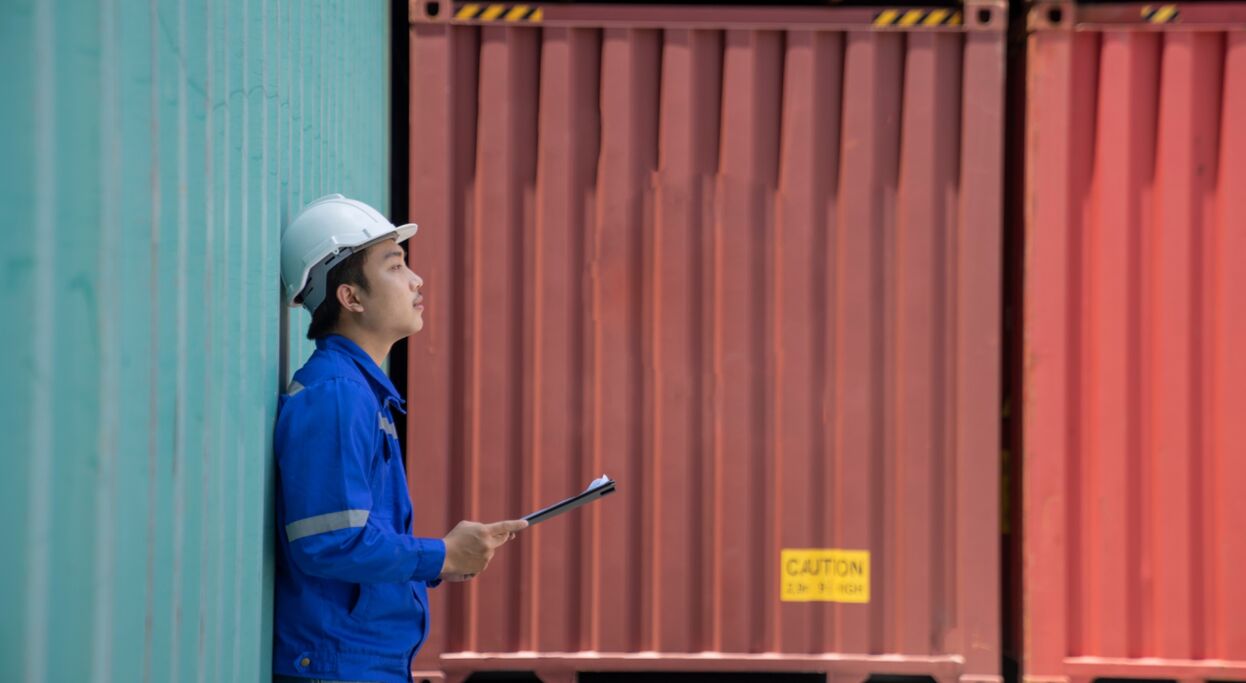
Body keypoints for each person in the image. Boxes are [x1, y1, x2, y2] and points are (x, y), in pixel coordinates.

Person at [273, 194, 527, 683]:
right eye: (396, 265)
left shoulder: (359, 393)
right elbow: (329, 542)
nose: (417, 279)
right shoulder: (337, 396)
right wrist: (442, 553)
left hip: (360, 663)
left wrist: (443, 561)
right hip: (337, 668)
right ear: (351, 297)